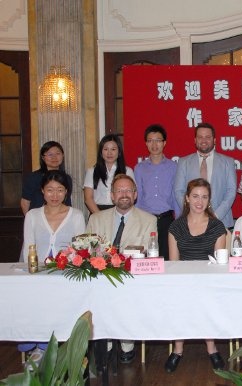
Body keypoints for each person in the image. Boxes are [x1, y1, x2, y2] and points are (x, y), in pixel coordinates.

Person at [86, 174, 156, 364]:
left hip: (132, 278)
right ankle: (106, 340)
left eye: (128, 191)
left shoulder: (149, 220)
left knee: (126, 294)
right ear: (112, 196)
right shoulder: (96, 218)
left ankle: (127, 341)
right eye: (119, 191)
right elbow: (90, 251)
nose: (124, 194)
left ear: (135, 195)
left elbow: (147, 253)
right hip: (102, 277)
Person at [19, 169, 85, 367]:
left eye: (59, 190)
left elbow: (79, 250)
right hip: (37, 274)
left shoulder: (76, 215)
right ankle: (40, 348)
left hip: (66, 275)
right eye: (50, 190)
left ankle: (60, 349)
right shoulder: (32, 215)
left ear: (66, 192)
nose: (54, 195)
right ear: (42, 191)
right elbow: (28, 247)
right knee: (34, 301)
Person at [165, 178, 227, 372]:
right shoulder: (175, 227)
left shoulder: (217, 226)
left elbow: (219, 263)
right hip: (183, 280)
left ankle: (212, 348)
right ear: (186, 199)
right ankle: (177, 349)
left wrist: (202, 281)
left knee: (205, 296)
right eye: (195, 196)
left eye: (204, 197)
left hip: (210, 279)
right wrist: (185, 282)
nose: (199, 202)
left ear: (209, 200)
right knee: (179, 297)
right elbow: (174, 265)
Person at [173, 122, 236, 227]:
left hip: (221, 220)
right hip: (191, 221)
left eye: (208, 137)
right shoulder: (184, 162)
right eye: (200, 137)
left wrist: (216, 215)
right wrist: (192, 213)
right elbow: (179, 191)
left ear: (214, 140)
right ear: (195, 140)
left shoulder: (227, 162)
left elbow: (231, 191)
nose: (204, 140)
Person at [134, 124, 179, 259]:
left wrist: (179, 221)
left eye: (158, 140)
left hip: (167, 220)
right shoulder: (139, 168)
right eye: (150, 140)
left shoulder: (174, 167)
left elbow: (176, 195)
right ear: (146, 143)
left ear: (164, 143)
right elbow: (138, 196)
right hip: (145, 219)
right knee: (146, 256)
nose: (154, 145)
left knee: (167, 257)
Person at [83, 134, 134, 214]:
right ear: (101, 152)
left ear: (119, 151)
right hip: (97, 211)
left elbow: (131, 195)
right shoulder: (92, 171)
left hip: (120, 212)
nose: (109, 153)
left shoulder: (127, 171)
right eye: (106, 149)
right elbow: (88, 198)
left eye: (113, 149)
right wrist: (100, 217)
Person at [21, 141, 73, 214]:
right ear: (43, 157)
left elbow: (67, 202)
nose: (54, 157)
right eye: (50, 154)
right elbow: (25, 202)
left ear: (63, 155)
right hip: (38, 219)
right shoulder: (33, 178)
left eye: (58, 153)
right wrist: (30, 220)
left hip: (61, 218)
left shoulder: (67, 178)